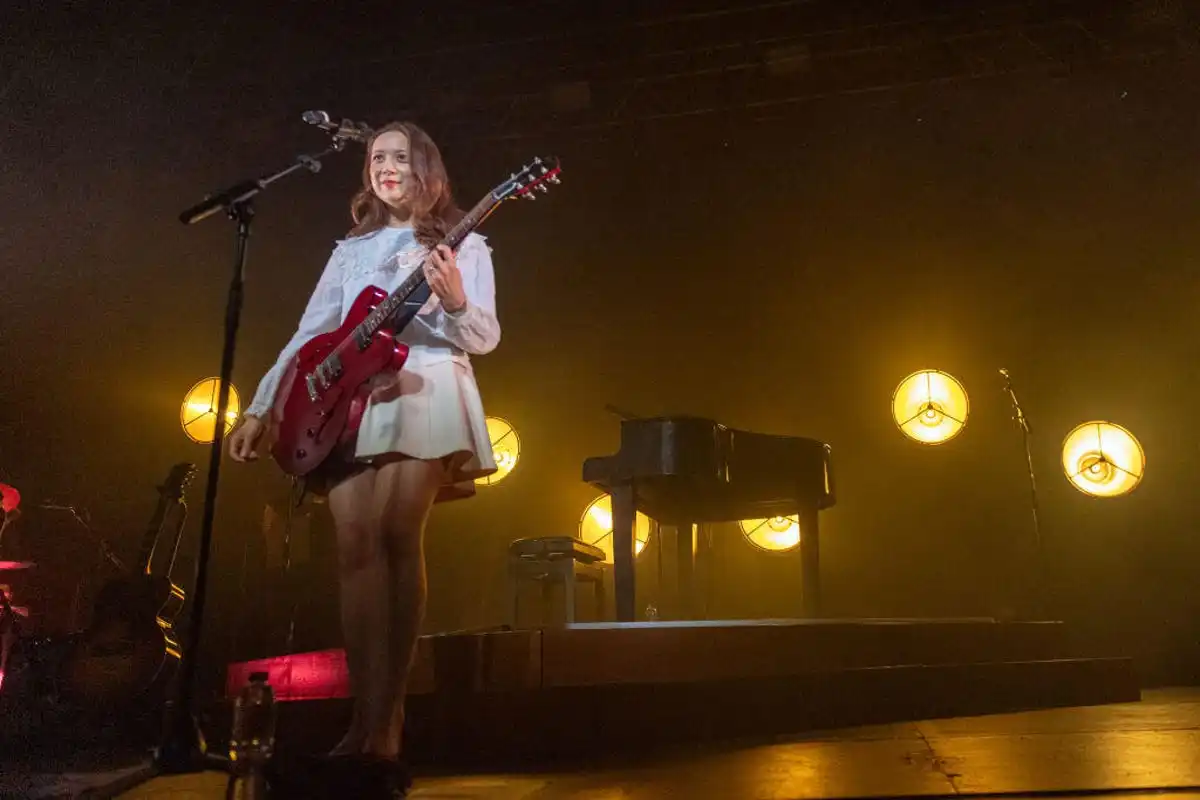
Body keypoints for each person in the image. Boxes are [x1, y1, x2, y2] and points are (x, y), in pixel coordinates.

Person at [227, 121, 501, 793]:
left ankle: (389, 723)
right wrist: (263, 406)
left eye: (399, 157)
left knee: (394, 535)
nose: (385, 167)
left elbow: (484, 335)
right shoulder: (350, 250)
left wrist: (456, 298)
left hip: (425, 385)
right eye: (377, 157)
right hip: (348, 401)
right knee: (351, 546)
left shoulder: (466, 241)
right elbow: (312, 331)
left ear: (425, 170)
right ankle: (361, 720)